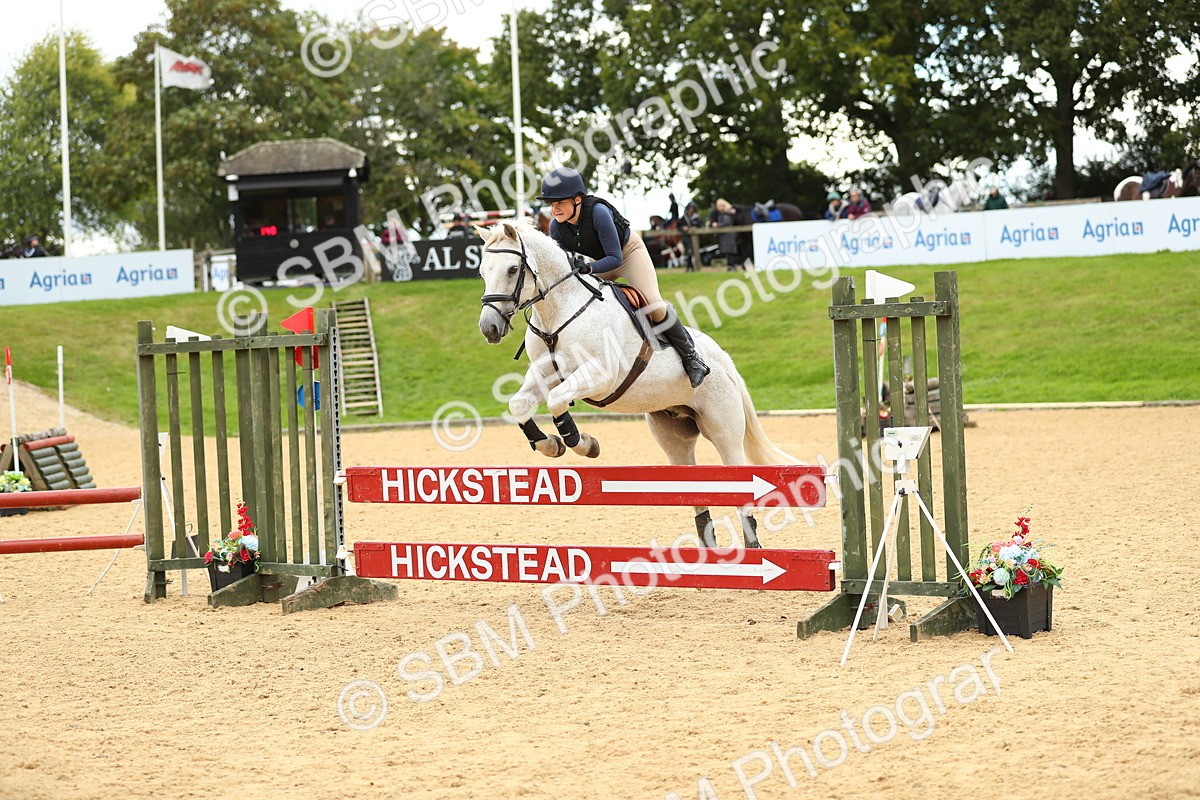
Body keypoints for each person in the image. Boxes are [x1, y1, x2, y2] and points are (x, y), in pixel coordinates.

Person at [536, 166, 710, 387]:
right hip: (598, 262)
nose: (555, 209)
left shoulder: (598, 212)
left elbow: (615, 258)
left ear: (578, 199)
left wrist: (588, 268)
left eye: (560, 202)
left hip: (627, 254)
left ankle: (692, 357)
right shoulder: (556, 228)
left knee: (654, 305)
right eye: (551, 204)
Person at [711, 198, 741, 271]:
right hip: (725, 235)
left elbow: (726, 223)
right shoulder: (723, 213)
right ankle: (730, 266)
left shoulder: (728, 213)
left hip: (729, 235)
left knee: (730, 251)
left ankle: (732, 266)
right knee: (728, 252)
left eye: (720, 206)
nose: (719, 207)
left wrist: (717, 225)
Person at [679, 201, 703, 272]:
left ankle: (690, 268)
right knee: (688, 252)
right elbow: (679, 226)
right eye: (690, 208)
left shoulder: (697, 217)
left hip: (695, 238)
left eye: (692, 208)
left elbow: (700, 226)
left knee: (692, 252)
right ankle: (690, 268)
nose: (691, 209)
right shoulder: (684, 218)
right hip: (686, 238)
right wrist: (683, 228)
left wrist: (693, 225)